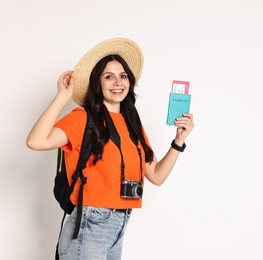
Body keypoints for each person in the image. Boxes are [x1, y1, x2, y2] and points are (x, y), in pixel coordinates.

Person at [26, 38, 194, 260]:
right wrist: (63, 96)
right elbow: (35, 141)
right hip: (89, 224)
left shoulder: (132, 124)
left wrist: (178, 141)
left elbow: (156, 175)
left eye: (123, 76)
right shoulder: (82, 119)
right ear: (98, 83)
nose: (118, 82)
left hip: (118, 225)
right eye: (109, 76)